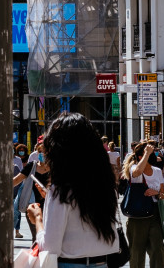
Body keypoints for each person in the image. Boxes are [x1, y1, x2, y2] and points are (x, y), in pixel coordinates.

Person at [24, 112, 119, 268]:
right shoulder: (105, 184)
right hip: (102, 262)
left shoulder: (61, 191)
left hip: (70, 264)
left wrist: (39, 219)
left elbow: (50, 247)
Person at [123, 141, 164, 268]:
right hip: (138, 217)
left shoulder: (157, 171)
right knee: (136, 252)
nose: (154, 155)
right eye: (150, 153)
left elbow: (163, 195)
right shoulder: (134, 169)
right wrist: (147, 153)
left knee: (158, 249)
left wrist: (157, 192)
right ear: (142, 156)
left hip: (154, 214)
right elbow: (137, 172)